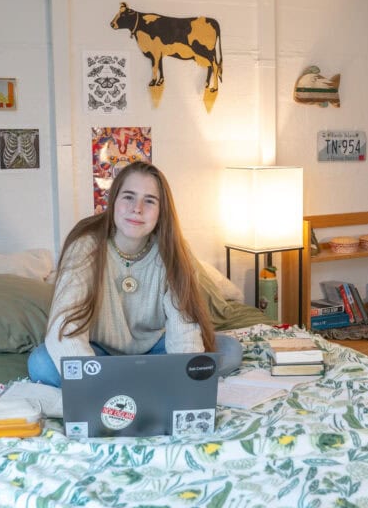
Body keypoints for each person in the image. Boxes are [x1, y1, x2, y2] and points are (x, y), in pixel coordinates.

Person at [28, 162, 242, 387]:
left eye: (149, 201)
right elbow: (66, 326)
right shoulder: (85, 246)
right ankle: (144, 384)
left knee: (230, 349)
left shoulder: (174, 250)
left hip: (155, 350)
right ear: (114, 202)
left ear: (161, 211)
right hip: (97, 354)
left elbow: (184, 327)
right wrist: (92, 383)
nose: (137, 208)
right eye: (128, 197)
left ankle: (134, 382)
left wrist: (184, 379)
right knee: (42, 363)